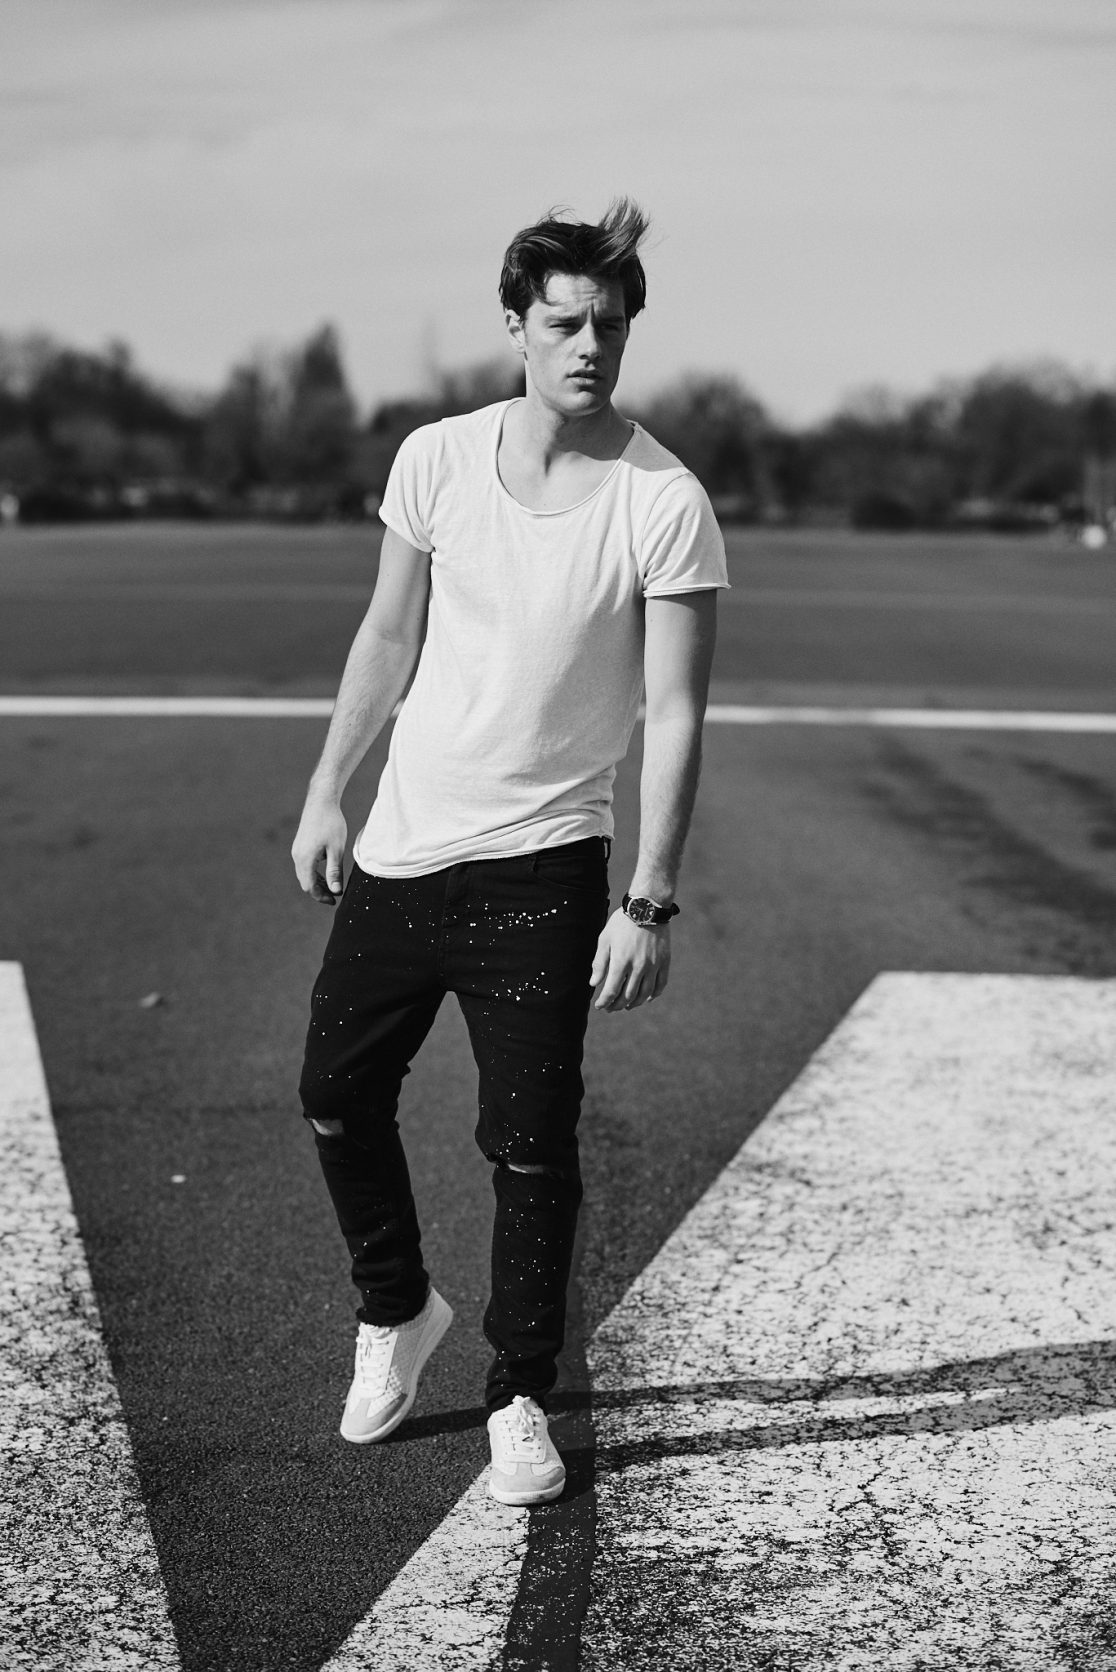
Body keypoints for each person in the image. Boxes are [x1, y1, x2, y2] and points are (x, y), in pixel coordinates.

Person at [291, 198, 728, 1507]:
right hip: (401, 851)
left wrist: (648, 901)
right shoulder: (435, 459)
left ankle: (519, 1389)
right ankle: (395, 1309)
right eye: (565, 322)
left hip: (544, 871)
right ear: (518, 327)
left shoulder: (665, 501)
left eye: (611, 325)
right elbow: (387, 636)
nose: (590, 346)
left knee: (530, 1145)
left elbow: (676, 711)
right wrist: (326, 791)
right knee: (334, 1094)